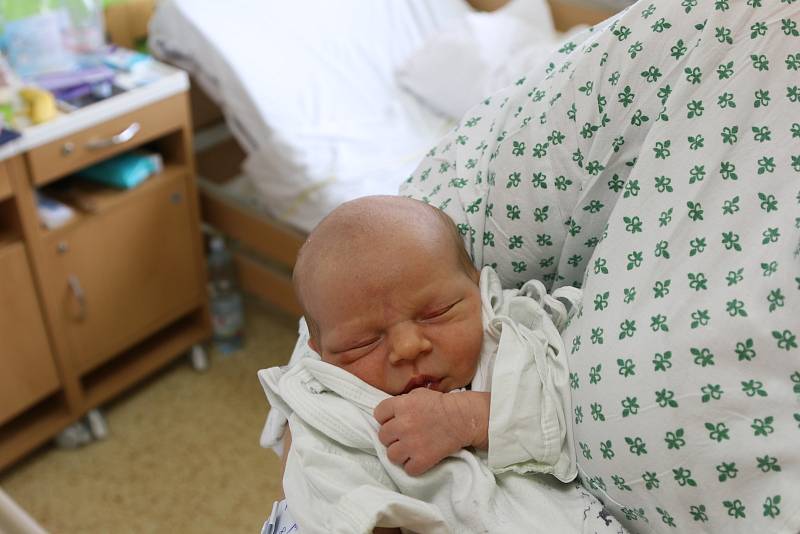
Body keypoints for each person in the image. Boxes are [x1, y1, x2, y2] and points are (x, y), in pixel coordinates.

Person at [260, 195, 624, 533]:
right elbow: (330, 493)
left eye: (436, 313)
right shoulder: (331, 406)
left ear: (482, 290)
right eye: (363, 342)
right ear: (320, 353)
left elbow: (563, 413)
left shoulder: (508, 338)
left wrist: (471, 417)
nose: (407, 347)